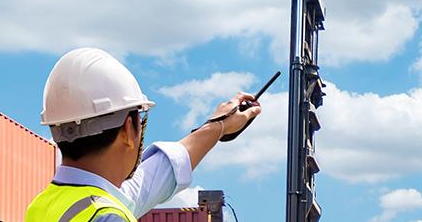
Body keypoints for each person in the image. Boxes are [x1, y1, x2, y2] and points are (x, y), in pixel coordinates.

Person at [25, 48, 263, 222]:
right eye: (141, 119)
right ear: (129, 128)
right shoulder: (107, 216)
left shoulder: (45, 206)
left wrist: (218, 126)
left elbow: (153, 178)